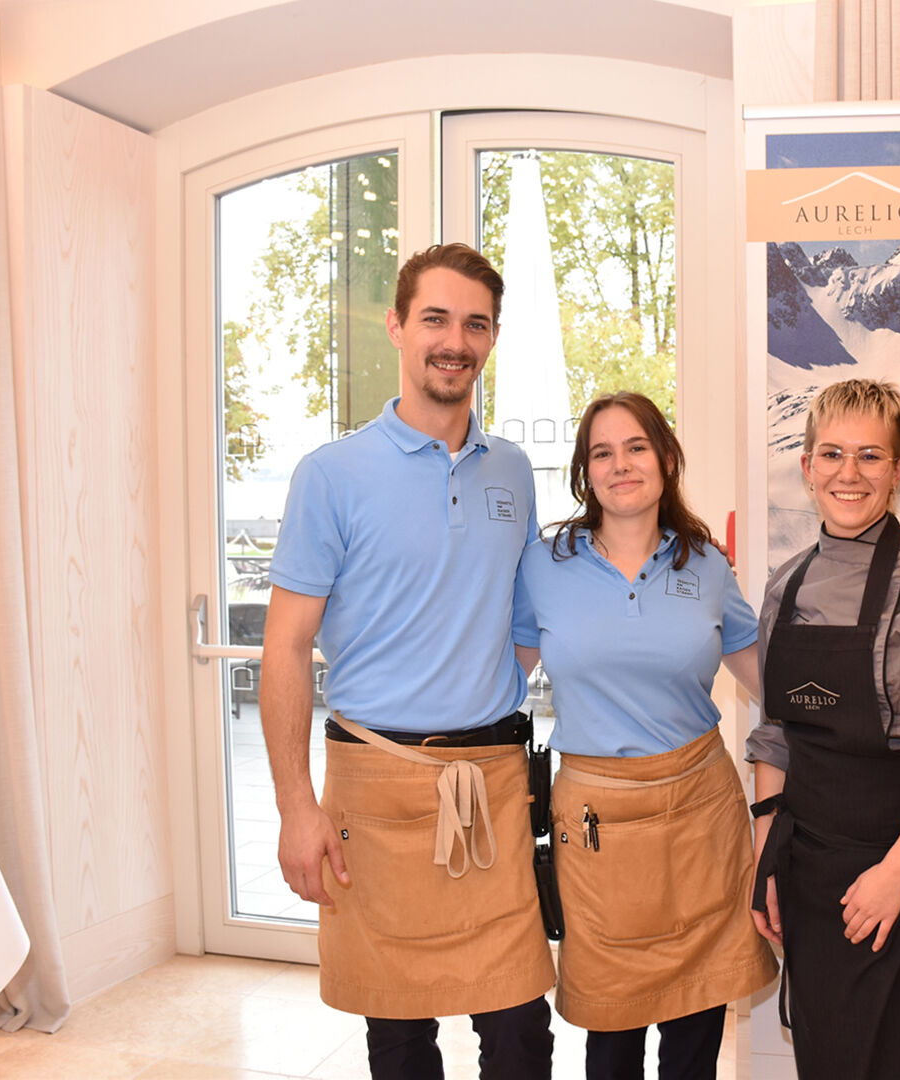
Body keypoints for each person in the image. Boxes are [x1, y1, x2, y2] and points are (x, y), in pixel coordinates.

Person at [513, 391, 900, 1079]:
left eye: (636, 447)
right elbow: (498, 679)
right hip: (597, 822)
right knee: (612, 1025)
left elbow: (782, 695)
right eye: (601, 452)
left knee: (696, 1017)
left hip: (699, 811)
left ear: (666, 460)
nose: (620, 464)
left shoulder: (705, 566)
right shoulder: (544, 566)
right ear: (583, 471)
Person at [261, 243, 554, 1080]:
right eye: (435, 318)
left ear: (492, 338)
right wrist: (294, 807)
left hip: (493, 780)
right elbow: (284, 647)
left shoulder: (512, 471)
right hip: (374, 784)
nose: (452, 339)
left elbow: (525, 618)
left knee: (520, 1029)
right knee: (396, 1033)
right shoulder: (331, 475)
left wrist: (476, 680)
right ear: (396, 327)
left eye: (474, 323)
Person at [746, 378, 900, 1080]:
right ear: (806, 467)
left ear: (898, 471)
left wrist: (897, 872)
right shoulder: (784, 586)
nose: (847, 474)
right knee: (829, 1057)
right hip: (809, 862)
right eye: (830, 455)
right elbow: (774, 737)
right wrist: (768, 864)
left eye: (869, 457)